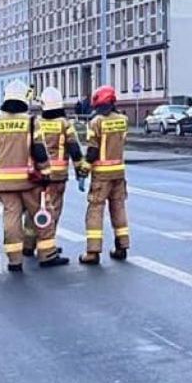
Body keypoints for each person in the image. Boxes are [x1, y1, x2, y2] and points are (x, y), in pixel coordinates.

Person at [0, 80, 51, 273]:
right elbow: (39, 150)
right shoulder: (30, 121)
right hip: (29, 180)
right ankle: (47, 253)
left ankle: (14, 260)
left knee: (10, 218)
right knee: (40, 215)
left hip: (4, 182)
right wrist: (46, 173)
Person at [78, 85, 130, 265]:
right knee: (119, 209)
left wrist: (84, 170)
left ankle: (92, 252)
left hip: (101, 175)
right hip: (118, 172)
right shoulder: (123, 120)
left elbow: (92, 151)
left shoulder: (96, 122)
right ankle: (122, 247)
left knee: (95, 211)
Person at [35, 86, 82, 267]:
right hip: (58, 176)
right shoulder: (65, 124)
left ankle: (32, 244)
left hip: (40, 174)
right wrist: (81, 171)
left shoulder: (38, 122)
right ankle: (48, 246)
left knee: (38, 209)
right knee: (53, 211)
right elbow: (75, 149)